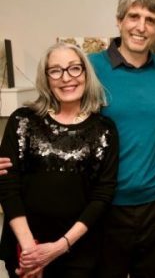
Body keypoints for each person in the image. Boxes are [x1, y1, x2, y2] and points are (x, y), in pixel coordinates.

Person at [0, 42, 118, 277]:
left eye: (74, 68)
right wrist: (31, 253)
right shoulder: (21, 121)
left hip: (79, 254)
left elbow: (102, 195)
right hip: (25, 252)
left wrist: (59, 247)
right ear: (46, 78)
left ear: (85, 73)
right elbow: (7, 186)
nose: (66, 78)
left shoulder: (104, 129)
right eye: (56, 70)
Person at [87, 0, 155, 277]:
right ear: (119, 20)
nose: (141, 26)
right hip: (105, 205)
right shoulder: (91, 67)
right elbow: (60, 121)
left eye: (150, 20)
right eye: (133, 16)